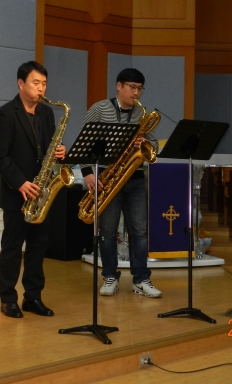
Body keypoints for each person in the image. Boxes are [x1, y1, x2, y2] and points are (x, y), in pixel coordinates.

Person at [0, 61, 66, 318]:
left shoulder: (47, 113)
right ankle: (8, 299)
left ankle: (33, 297)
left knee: (38, 247)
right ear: (21, 83)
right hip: (17, 193)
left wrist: (59, 152)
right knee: (12, 248)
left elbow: (48, 148)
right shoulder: (4, 114)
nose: (41, 88)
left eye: (44, 83)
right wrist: (20, 182)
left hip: (41, 192)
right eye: (36, 83)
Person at [80, 68, 162, 298]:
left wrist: (144, 143)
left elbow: (154, 146)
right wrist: (87, 172)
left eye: (139, 89)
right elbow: (83, 141)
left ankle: (141, 279)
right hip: (107, 179)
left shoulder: (141, 114)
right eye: (132, 87)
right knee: (107, 231)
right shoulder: (99, 109)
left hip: (135, 179)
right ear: (119, 86)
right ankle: (110, 276)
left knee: (139, 232)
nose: (136, 93)